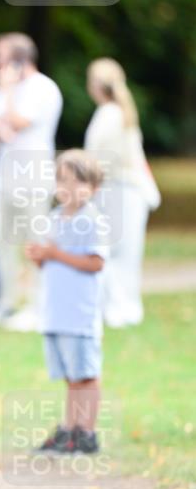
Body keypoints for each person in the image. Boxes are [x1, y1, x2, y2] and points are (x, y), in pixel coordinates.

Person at [25, 149, 107, 453]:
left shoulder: (92, 220)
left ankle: (87, 431)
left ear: (94, 188)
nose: (68, 189)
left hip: (80, 314)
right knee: (71, 377)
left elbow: (96, 262)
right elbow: (49, 260)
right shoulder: (54, 217)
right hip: (56, 312)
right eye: (62, 180)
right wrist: (39, 257)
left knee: (86, 375)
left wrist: (54, 254)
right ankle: (70, 427)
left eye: (77, 182)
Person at [0, 33, 63, 330]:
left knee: (35, 242)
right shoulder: (6, 89)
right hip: (5, 177)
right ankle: (6, 303)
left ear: (17, 60)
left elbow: (17, 123)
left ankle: (37, 306)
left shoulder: (42, 88)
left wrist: (5, 94)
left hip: (32, 177)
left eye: (0, 56)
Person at [84, 58, 159, 327]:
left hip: (119, 189)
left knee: (116, 251)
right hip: (123, 190)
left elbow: (103, 161)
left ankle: (120, 309)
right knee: (122, 251)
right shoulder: (119, 112)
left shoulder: (110, 115)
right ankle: (120, 307)